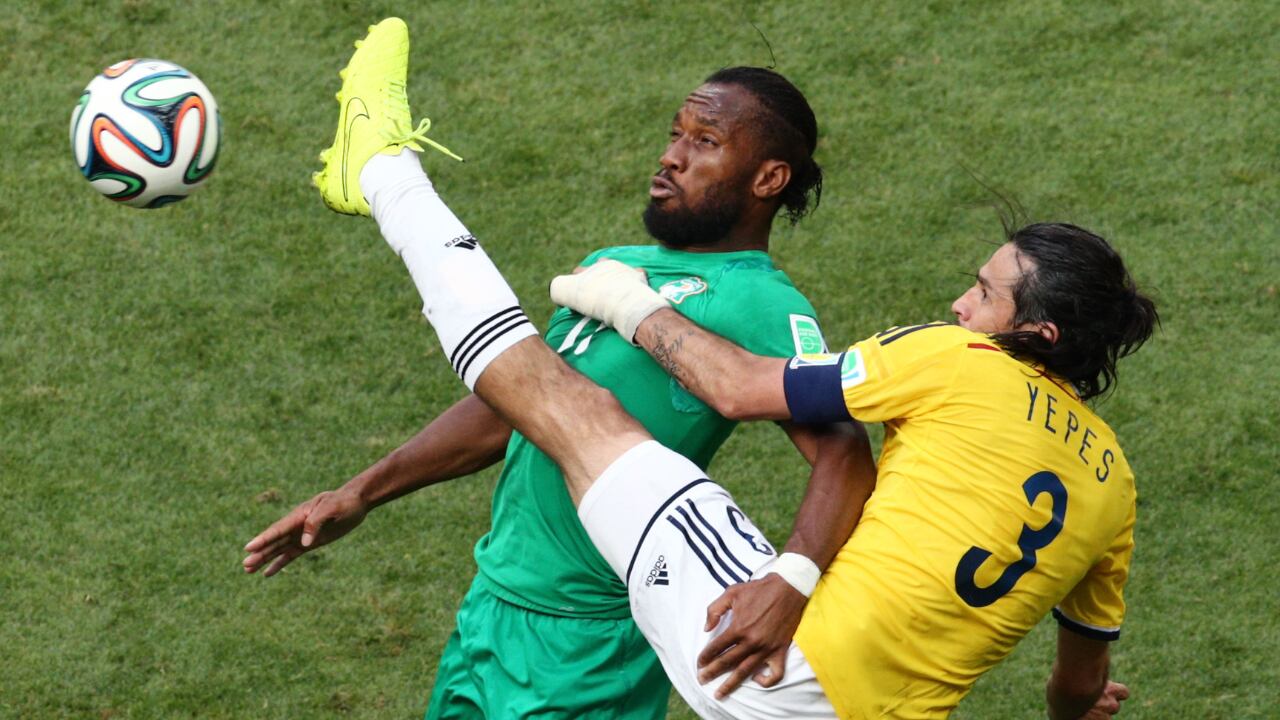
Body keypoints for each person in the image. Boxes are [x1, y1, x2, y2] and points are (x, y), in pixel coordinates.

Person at [242, 18, 875, 720]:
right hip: (492, 607)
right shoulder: (617, 266)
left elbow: (844, 452)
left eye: (704, 142)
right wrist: (363, 491)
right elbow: (514, 401)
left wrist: (791, 580)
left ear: (768, 178)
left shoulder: (759, 300)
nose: (670, 156)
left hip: (589, 647)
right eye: (675, 133)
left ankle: (383, 170)